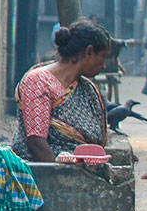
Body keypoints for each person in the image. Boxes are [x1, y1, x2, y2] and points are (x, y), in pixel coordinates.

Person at [11, 19, 110, 162]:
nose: (104, 65)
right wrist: (60, 175)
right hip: (41, 171)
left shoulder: (85, 88)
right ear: (88, 52)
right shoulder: (39, 81)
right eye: (103, 57)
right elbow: (37, 144)